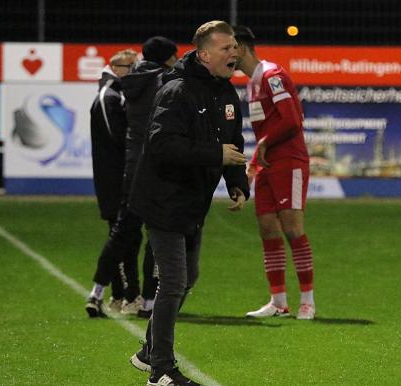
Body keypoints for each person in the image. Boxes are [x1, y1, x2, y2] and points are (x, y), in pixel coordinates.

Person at [128, 21, 249, 386]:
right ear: (204, 54)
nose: (234, 53)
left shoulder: (226, 94)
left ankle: (149, 351)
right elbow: (162, 145)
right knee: (174, 282)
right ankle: (160, 370)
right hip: (163, 199)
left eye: (235, 47)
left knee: (187, 277)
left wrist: (237, 182)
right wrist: (215, 154)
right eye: (226, 48)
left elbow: (234, 141)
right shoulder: (176, 91)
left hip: (191, 202)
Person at [233, 25, 316, 320]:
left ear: (241, 48)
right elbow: (267, 130)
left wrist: (265, 143)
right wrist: (255, 163)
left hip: (290, 161)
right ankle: (278, 301)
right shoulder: (251, 84)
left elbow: (292, 121)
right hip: (269, 163)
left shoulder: (272, 76)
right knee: (268, 228)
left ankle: (307, 300)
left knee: (293, 229)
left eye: (230, 48)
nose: (228, 55)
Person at [119, 36, 178, 318]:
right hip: (156, 167)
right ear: (167, 58)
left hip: (132, 166)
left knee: (126, 233)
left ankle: (128, 294)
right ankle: (151, 300)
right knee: (158, 235)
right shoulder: (165, 82)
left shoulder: (131, 81)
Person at [85, 49, 139, 318]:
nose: (137, 72)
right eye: (134, 67)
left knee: (124, 236)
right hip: (115, 180)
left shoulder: (114, 94)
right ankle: (119, 294)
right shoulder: (109, 95)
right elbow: (118, 137)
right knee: (123, 236)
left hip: (116, 178)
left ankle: (120, 296)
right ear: (119, 68)